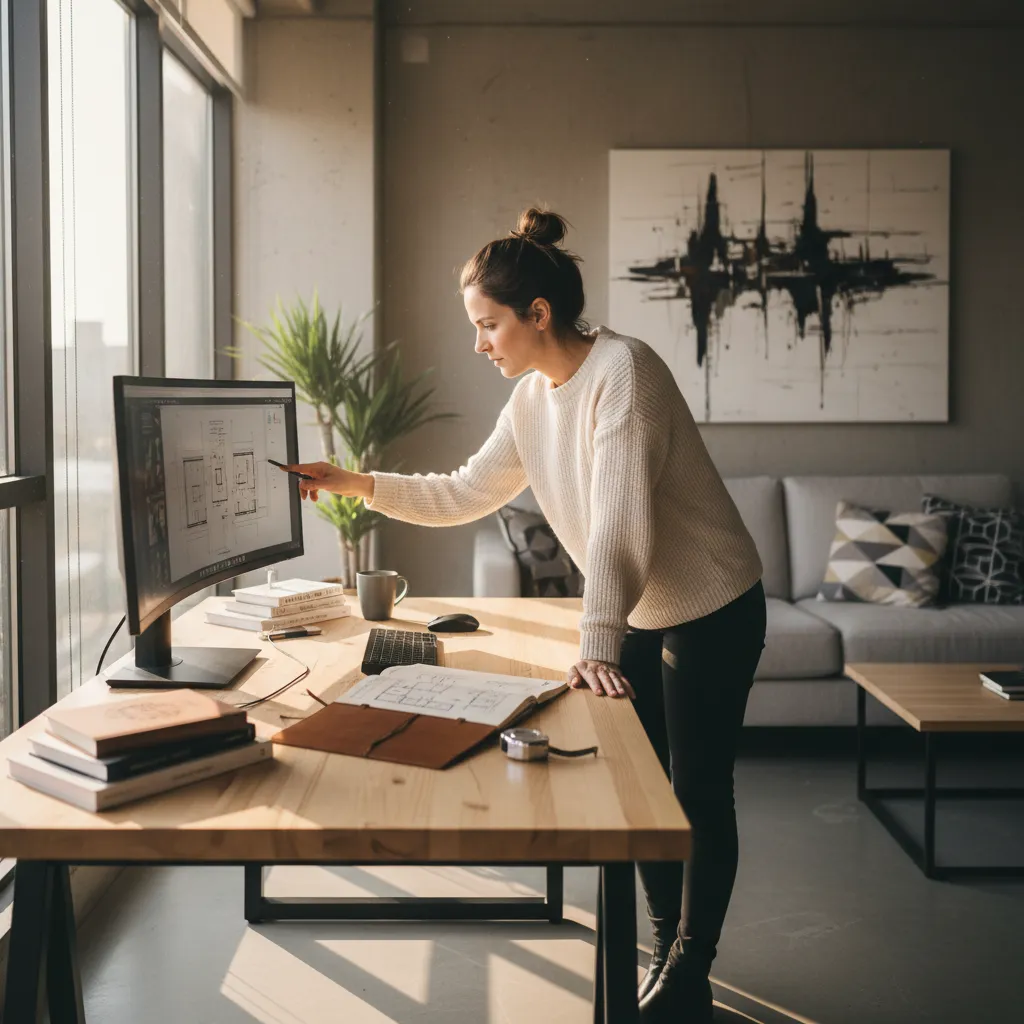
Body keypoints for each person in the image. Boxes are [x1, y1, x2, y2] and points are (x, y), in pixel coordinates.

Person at [281, 207, 767, 1022]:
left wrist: (596, 642)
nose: (480, 344)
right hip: (644, 609)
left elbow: (620, 525)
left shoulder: (626, 372)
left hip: (712, 603)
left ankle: (691, 968)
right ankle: (660, 941)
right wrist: (354, 481)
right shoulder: (534, 400)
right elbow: (466, 492)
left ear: (537, 315)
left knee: (696, 789)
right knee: (647, 795)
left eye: (488, 325)